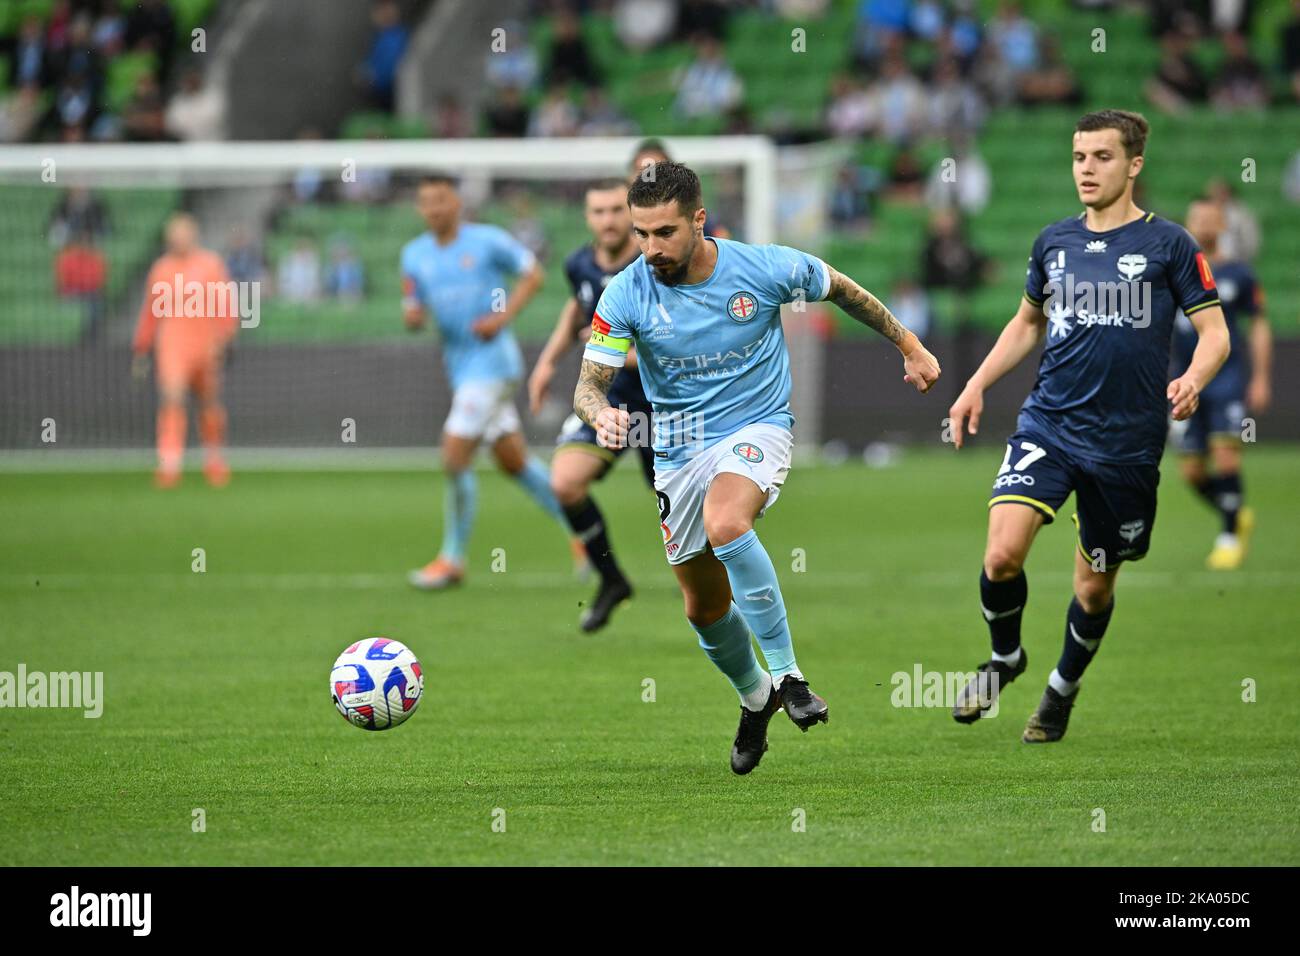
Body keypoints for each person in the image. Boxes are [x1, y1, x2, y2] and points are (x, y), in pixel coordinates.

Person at [573, 162, 941, 774]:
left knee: (727, 522)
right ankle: (755, 698)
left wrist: (909, 345)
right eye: (641, 234)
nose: (650, 248)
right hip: (678, 450)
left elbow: (841, 287)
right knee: (702, 607)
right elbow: (589, 384)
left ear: (699, 219)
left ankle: (790, 676)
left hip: (756, 428)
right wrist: (599, 414)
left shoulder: (763, 267)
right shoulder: (626, 291)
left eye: (663, 232)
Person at [947, 110, 1231, 742]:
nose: (1087, 169)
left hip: (1127, 445)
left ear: (1133, 165)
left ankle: (1060, 692)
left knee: (1094, 589)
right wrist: (976, 385)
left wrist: (1194, 379)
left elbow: (1215, 334)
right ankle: (1004, 659)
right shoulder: (1054, 242)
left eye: (1102, 157)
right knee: (1000, 555)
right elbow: (1027, 323)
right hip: (1049, 424)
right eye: (1079, 157)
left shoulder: (1171, 246)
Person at [401, 174, 572, 590]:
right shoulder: (414, 255)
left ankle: (453, 558)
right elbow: (412, 306)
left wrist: (502, 318)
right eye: (426, 201)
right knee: (514, 462)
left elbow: (534, 274)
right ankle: (585, 532)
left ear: (457, 203)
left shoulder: (486, 241)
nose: (434, 208)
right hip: (461, 369)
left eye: (441, 199)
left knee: (454, 455)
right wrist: (414, 316)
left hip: (493, 366)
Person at [528, 179, 649, 632]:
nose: (608, 220)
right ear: (587, 217)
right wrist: (547, 363)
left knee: (685, 523)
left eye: (617, 210)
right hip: (611, 403)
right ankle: (612, 580)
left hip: (667, 406)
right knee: (565, 483)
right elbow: (576, 309)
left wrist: (614, 351)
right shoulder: (578, 263)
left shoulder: (655, 265)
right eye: (598, 211)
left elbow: (680, 344)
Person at [1171, 198, 1271, 569]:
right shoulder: (1175, 272)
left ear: (1223, 226)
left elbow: (1259, 325)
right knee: (1192, 470)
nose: (1204, 224)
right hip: (1185, 378)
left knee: (1227, 453)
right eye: (1197, 218)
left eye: (1212, 218)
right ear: (1188, 223)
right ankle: (1235, 510)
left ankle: (1229, 535)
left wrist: (1260, 377)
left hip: (1226, 378)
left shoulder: (1239, 275)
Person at [132, 213, 238, 488]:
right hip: (173, 344)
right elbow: (150, 313)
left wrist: (226, 337)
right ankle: (169, 463)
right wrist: (142, 347)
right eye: (174, 233)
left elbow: (226, 304)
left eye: (183, 232)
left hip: (206, 343)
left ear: (194, 235)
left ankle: (214, 459)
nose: (178, 238)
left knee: (209, 401)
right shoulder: (161, 269)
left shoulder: (210, 264)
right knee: (172, 397)